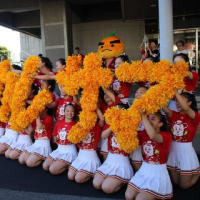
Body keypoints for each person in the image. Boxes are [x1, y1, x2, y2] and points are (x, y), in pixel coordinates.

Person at [125, 112, 173, 200]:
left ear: (160, 124)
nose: (149, 121)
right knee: (129, 196)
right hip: (144, 170)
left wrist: (143, 116)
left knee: (140, 199)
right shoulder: (143, 133)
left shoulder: (166, 135)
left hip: (158, 173)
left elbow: (153, 136)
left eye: (153, 119)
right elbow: (130, 139)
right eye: (148, 118)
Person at [164, 91, 200, 189]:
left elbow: (185, 108)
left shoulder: (194, 116)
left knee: (184, 186)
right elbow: (163, 107)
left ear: (189, 103)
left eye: (181, 100)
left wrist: (175, 91)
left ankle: (197, 173)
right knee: (175, 182)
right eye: (176, 100)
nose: (177, 102)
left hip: (186, 152)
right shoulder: (173, 114)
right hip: (173, 151)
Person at [93, 110, 134, 194]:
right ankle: (113, 180)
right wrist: (113, 126)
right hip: (109, 161)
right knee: (96, 184)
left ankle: (123, 180)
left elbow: (130, 147)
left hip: (121, 163)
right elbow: (103, 136)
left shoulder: (129, 127)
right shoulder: (110, 125)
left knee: (106, 188)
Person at [68, 108, 103, 183]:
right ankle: (85, 173)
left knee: (78, 179)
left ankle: (91, 173)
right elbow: (72, 139)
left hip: (91, 159)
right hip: (80, 157)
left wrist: (95, 107)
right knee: (70, 176)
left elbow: (102, 119)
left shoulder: (96, 127)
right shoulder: (79, 127)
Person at [43, 103, 77, 175]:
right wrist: (59, 142)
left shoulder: (76, 125)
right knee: (45, 166)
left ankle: (68, 164)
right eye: (67, 111)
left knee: (53, 170)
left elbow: (77, 141)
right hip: (59, 150)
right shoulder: (59, 123)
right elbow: (54, 136)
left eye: (72, 111)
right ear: (64, 112)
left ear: (74, 113)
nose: (69, 113)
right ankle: (61, 163)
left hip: (69, 152)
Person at [99, 88, 121, 159]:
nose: (106, 95)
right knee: (106, 158)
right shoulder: (104, 107)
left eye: (108, 93)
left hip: (115, 135)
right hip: (105, 134)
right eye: (105, 94)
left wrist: (104, 88)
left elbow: (113, 97)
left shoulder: (117, 104)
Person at [129, 87, 147, 171]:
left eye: (141, 92)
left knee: (138, 163)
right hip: (133, 140)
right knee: (133, 162)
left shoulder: (150, 108)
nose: (137, 94)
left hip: (143, 142)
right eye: (137, 92)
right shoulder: (132, 107)